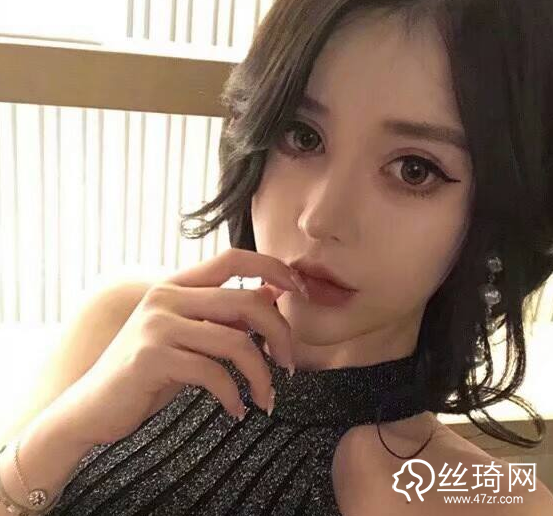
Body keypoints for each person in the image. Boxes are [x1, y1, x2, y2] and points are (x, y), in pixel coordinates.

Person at [1, 0, 553, 514]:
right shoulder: (126, 322)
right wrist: (59, 438)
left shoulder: (498, 502)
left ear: (499, 211)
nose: (320, 219)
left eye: (414, 169)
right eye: (302, 136)